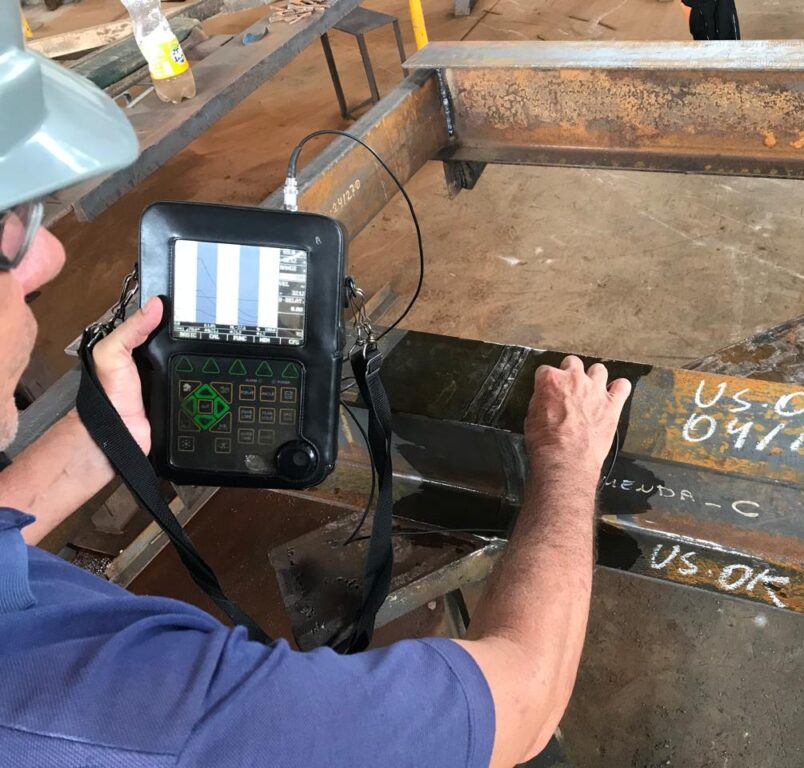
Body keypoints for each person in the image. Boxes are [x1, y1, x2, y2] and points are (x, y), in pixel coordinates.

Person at [0, 5, 631, 766]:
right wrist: (567, 462)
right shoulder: (147, 713)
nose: (48, 258)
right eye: (4, 234)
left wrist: (104, 434)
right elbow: (524, 701)